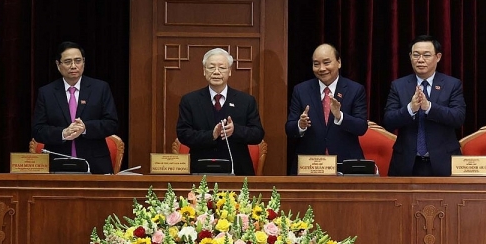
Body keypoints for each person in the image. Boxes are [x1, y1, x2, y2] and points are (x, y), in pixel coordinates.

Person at [383, 35, 466, 176]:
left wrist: (429, 108)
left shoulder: (452, 84)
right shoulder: (398, 85)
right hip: (407, 162)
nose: (420, 60)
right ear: (410, 57)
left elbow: (458, 118)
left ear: (438, 57)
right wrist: (410, 109)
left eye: (426, 55)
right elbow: (388, 120)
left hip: (443, 161)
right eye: (416, 55)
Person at [32, 41, 119, 174]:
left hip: (95, 165)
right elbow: (38, 130)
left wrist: (85, 128)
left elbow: (112, 123)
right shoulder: (46, 93)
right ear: (58, 65)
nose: (73, 66)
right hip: (57, 165)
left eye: (78, 61)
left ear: (83, 62)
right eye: (67, 62)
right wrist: (63, 133)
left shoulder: (100, 88)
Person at [176, 48, 265, 175]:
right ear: (204, 71)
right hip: (200, 171)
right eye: (211, 67)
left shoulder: (246, 101)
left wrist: (235, 130)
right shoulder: (190, 100)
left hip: (238, 171)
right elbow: (183, 134)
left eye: (222, 68)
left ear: (229, 72)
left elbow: (258, 134)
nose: (216, 72)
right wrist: (211, 135)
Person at [285, 44, 368, 175]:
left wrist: (340, 116)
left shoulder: (355, 90)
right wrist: (300, 125)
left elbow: (361, 127)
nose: (321, 69)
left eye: (326, 63)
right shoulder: (301, 90)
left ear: (339, 62)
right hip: (310, 166)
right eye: (316, 64)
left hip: (345, 165)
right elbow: (289, 129)